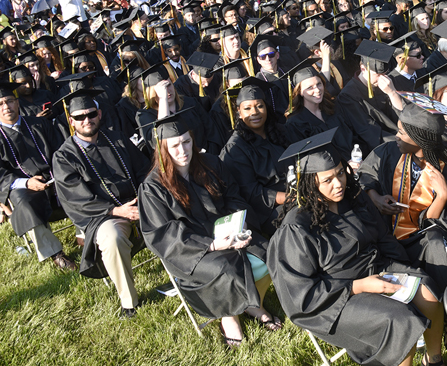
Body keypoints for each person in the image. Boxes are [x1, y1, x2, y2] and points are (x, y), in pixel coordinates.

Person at [268, 129, 446, 366]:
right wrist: (358, 286)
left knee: (428, 292)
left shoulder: (354, 198)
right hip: (335, 297)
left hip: (377, 270)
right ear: (311, 184)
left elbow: (383, 238)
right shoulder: (296, 228)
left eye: (340, 173)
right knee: (402, 322)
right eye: (328, 180)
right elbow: (300, 295)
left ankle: (434, 360)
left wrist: (404, 269)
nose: (338, 184)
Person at [139, 111, 282, 347]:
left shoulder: (212, 164)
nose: (182, 150)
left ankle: (253, 303)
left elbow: (234, 197)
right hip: (192, 250)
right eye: (174, 146)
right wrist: (213, 244)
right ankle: (230, 317)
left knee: (267, 251)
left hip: (229, 233)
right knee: (225, 267)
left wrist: (240, 222)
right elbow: (164, 234)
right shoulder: (153, 188)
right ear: (162, 149)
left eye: (187, 142)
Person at [53, 89, 150, 317]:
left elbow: (144, 169)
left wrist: (146, 199)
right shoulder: (64, 157)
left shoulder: (116, 138)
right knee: (113, 239)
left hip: (139, 204)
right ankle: (129, 301)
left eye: (91, 114)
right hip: (104, 216)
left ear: (99, 113)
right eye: (79, 117)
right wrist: (118, 211)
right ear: (71, 121)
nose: (86, 120)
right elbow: (77, 200)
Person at [0, 81, 75, 270]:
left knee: (76, 182)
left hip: (54, 175)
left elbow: (61, 151)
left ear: (17, 103)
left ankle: (87, 232)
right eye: (0, 104)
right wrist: (26, 183)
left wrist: (58, 173)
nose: (6, 107)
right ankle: (54, 252)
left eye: (9, 101)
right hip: (23, 186)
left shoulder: (39, 124)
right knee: (23, 203)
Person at [219, 78, 289, 237]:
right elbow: (250, 192)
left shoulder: (280, 132)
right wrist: (288, 198)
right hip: (267, 212)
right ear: (238, 111)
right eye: (247, 108)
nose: (255, 112)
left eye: (259, 106)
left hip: (293, 194)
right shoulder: (235, 148)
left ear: (266, 107)